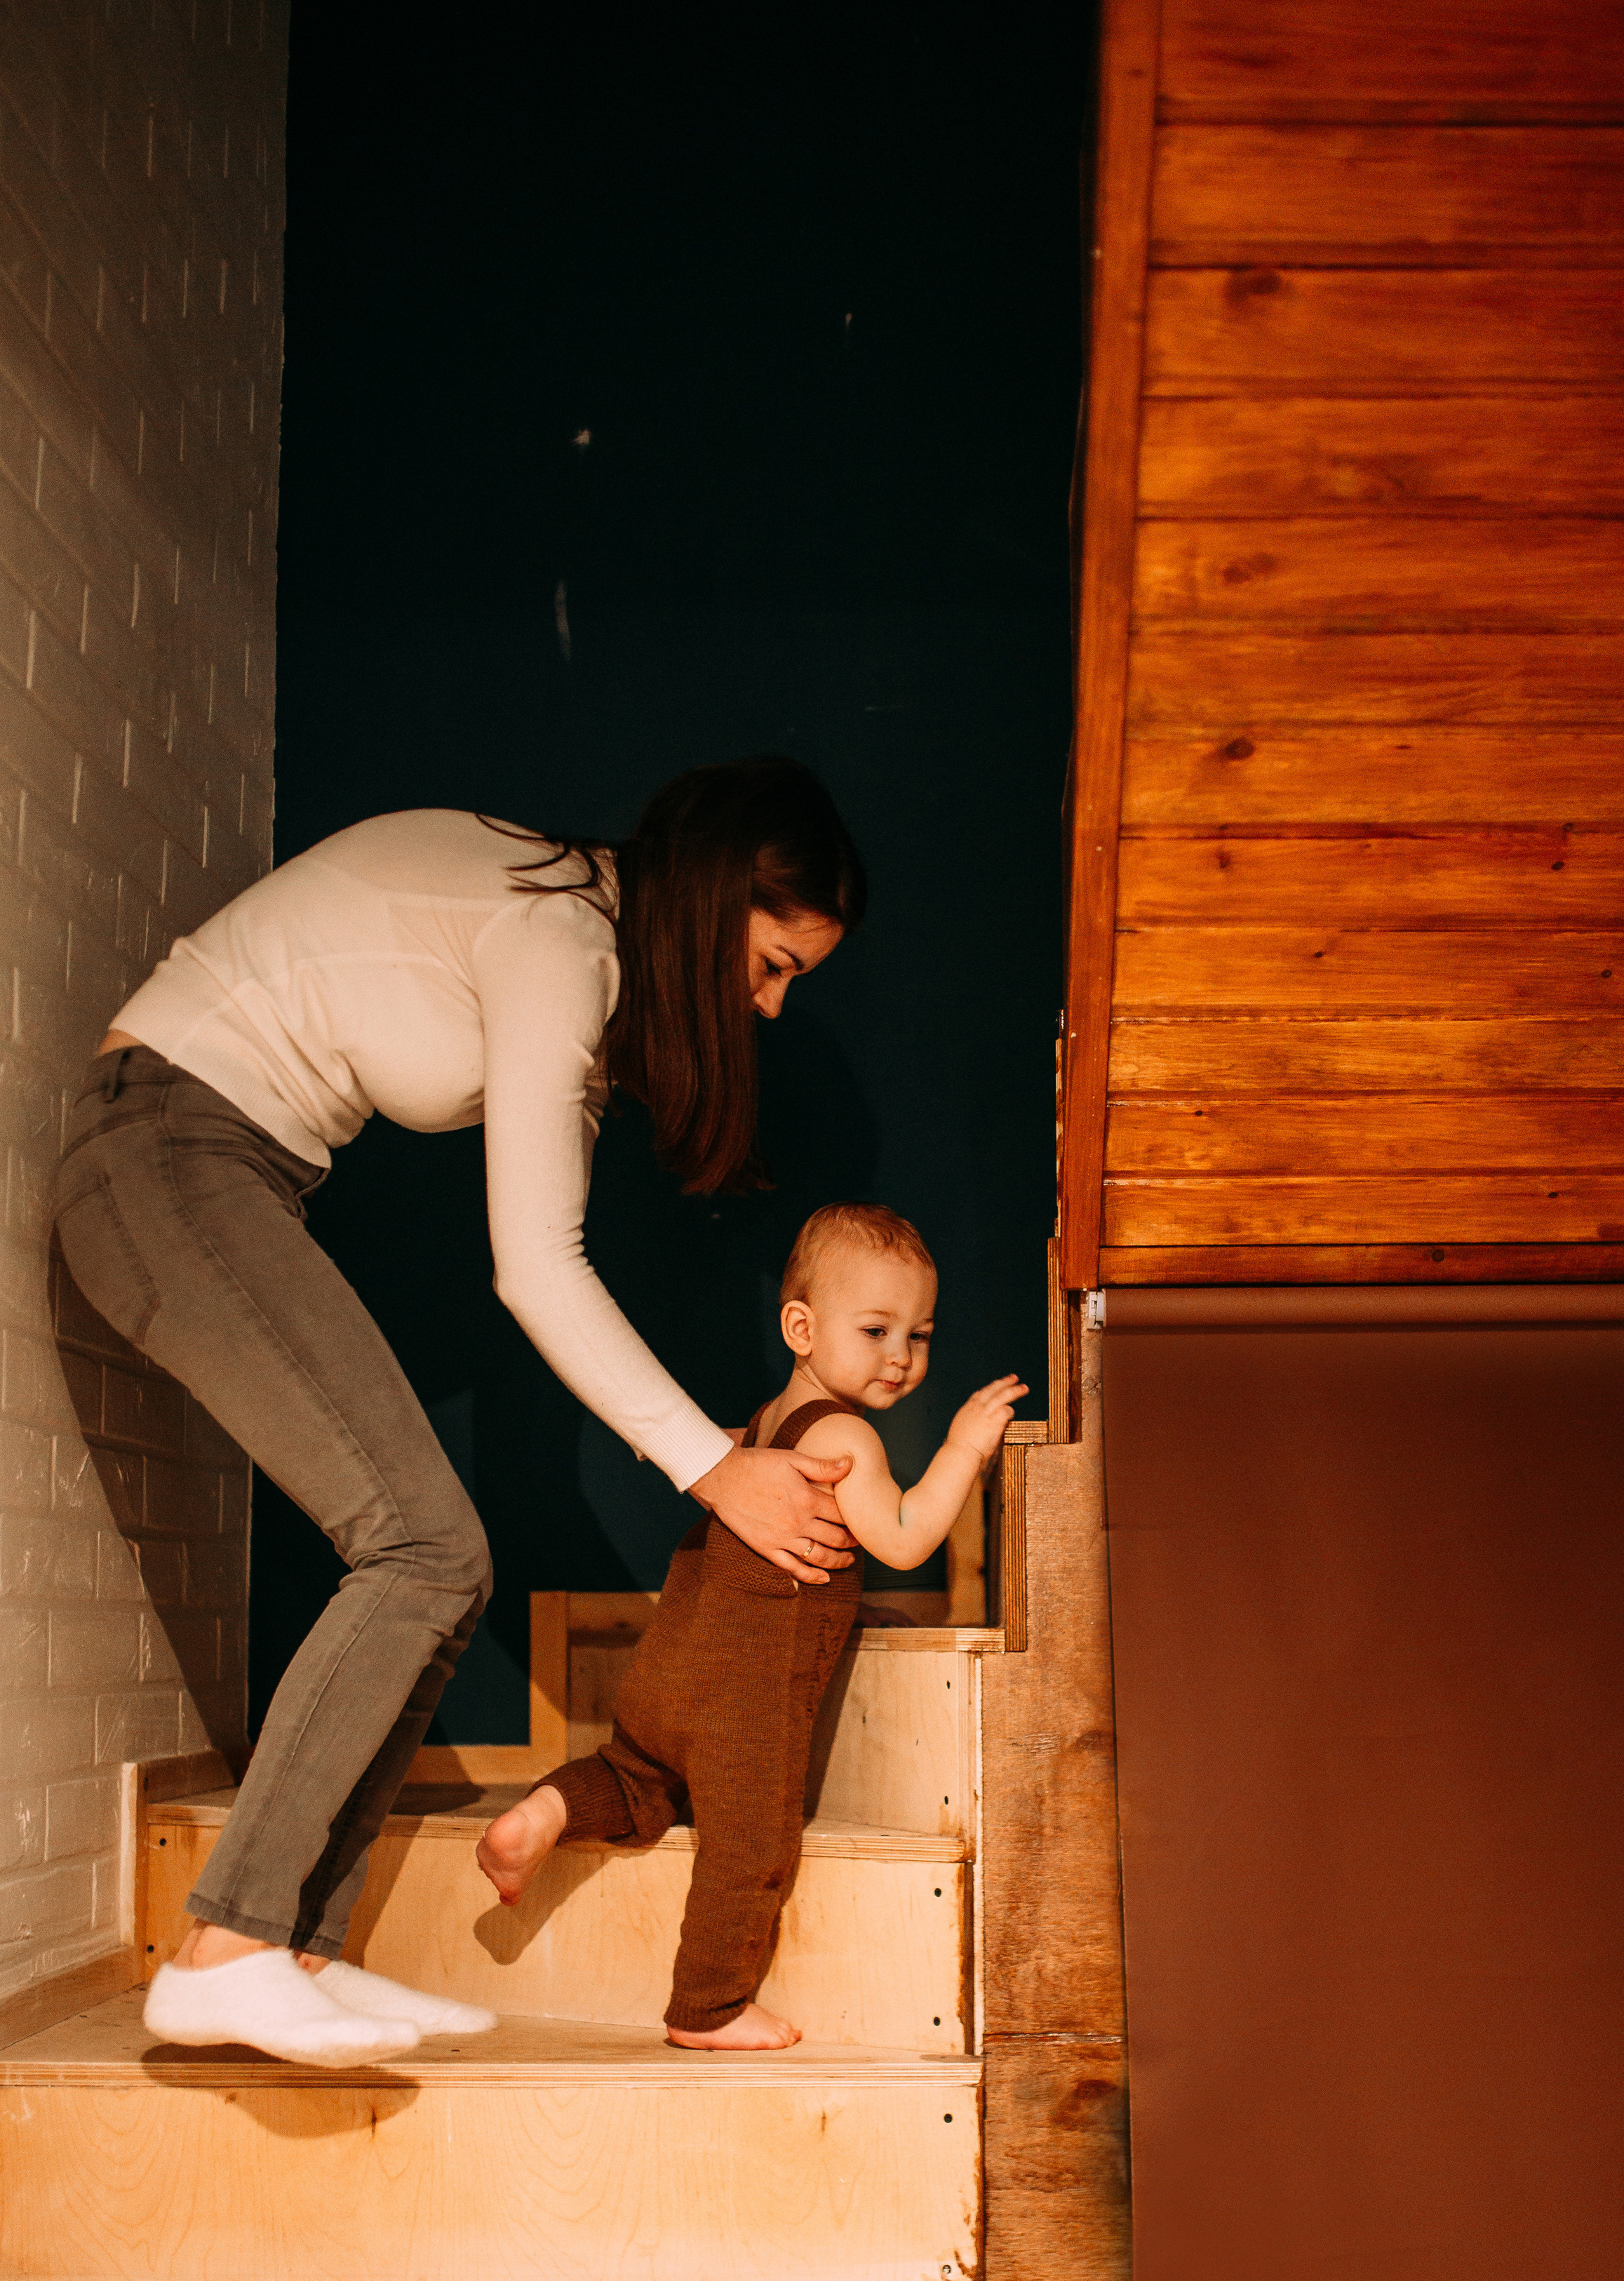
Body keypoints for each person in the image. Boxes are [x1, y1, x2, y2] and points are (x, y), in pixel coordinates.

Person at [49, 760, 866, 2067]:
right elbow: (537, 1266)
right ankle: (229, 1949)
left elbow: (552, 1261)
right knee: (426, 1547)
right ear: (711, 901)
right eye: (769, 963)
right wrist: (720, 1471)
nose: (765, 1007)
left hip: (229, 1167)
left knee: (450, 1562)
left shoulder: (581, 968)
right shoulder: (559, 934)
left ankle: (297, 1948)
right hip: (162, 1148)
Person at [474, 1200, 1025, 2049]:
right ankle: (710, 2006)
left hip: (670, 1671)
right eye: (876, 1330)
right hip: (745, 1704)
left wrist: (846, 1606)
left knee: (633, 1778)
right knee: (752, 1848)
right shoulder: (849, 1435)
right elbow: (907, 1538)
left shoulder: (763, 1427)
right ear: (801, 1326)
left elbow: (803, 1560)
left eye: (917, 1336)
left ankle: (540, 1815)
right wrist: (963, 1449)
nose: (900, 1358)